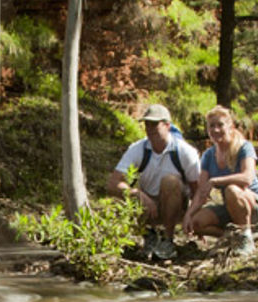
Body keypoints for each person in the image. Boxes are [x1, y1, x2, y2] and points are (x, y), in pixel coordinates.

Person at [107, 103, 200, 259]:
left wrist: (193, 217)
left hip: (178, 207)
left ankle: (168, 240)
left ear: (167, 125)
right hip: (149, 204)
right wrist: (136, 193)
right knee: (121, 200)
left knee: (170, 181)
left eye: (154, 124)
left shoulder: (185, 151)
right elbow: (113, 184)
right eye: (147, 124)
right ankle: (149, 235)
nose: (150, 128)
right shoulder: (137, 149)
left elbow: (197, 190)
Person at [183, 105, 258, 256]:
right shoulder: (209, 155)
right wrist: (188, 215)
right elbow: (201, 191)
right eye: (212, 126)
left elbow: (247, 177)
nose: (216, 130)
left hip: (251, 201)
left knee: (232, 189)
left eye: (220, 125)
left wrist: (216, 181)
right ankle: (232, 238)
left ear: (230, 126)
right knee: (197, 222)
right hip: (231, 206)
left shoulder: (244, 147)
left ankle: (245, 236)